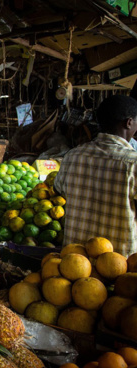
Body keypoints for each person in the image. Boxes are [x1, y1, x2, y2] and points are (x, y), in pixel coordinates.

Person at [54, 95, 137, 257]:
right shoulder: (133, 163)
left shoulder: (72, 156)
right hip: (119, 265)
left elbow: (58, 191)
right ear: (128, 122)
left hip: (75, 264)